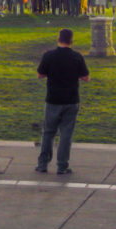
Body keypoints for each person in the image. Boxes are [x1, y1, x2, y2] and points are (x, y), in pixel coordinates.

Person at [35, 28, 88, 175]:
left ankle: (43, 164)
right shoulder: (77, 57)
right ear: (72, 41)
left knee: (48, 132)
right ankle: (62, 166)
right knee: (66, 135)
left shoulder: (49, 55)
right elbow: (85, 77)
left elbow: (40, 75)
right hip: (71, 99)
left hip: (53, 99)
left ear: (58, 39)